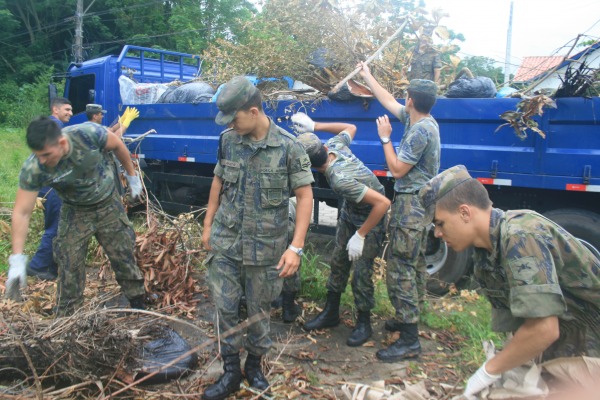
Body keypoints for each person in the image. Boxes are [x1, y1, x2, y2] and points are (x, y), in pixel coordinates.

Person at [418, 165, 600, 399]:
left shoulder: (521, 235)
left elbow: (544, 329)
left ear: (464, 212)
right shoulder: (485, 256)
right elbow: (521, 326)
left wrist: (488, 371)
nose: (437, 234)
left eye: (440, 223)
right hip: (565, 340)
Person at [201, 76, 314, 400]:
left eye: (234, 118)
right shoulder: (228, 140)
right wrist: (208, 225)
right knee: (224, 308)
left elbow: (305, 197)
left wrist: (296, 247)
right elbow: (218, 183)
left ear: (253, 111)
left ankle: (254, 367)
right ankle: (230, 371)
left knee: (259, 312)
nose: (231, 125)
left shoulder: (289, 148)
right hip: (226, 242)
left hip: (265, 249)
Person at [5, 116, 146, 315]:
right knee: (69, 265)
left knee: (123, 256)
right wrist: (17, 259)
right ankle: (68, 319)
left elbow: (117, 145)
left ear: (62, 143)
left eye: (46, 154)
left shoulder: (88, 134)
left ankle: (139, 304)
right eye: (38, 155)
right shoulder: (35, 168)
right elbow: (22, 212)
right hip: (74, 211)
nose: (42, 161)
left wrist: (132, 178)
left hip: (108, 205)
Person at [357, 61, 440, 362]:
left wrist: (384, 137)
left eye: (406, 97)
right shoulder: (422, 120)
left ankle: (409, 340)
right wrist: (368, 75)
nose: (402, 101)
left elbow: (396, 169)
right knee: (415, 263)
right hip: (420, 204)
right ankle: (410, 320)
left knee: (401, 268)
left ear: (412, 100)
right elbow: (387, 100)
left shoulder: (420, 132)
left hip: (411, 205)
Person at [293, 113, 391, 347]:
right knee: (338, 261)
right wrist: (315, 125)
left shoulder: (339, 179)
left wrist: (361, 235)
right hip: (351, 212)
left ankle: (364, 323)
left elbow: (383, 204)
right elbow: (351, 125)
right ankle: (331, 312)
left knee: (361, 272)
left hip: (371, 216)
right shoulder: (333, 145)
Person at [26, 98, 73, 280]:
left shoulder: (49, 125)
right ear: (55, 109)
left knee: (55, 226)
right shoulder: (55, 126)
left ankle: (50, 267)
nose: (70, 112)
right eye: (67, 109)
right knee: (55, 227)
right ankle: (39, 267)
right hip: (51, 186)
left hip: (46, 185)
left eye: (71, 110)